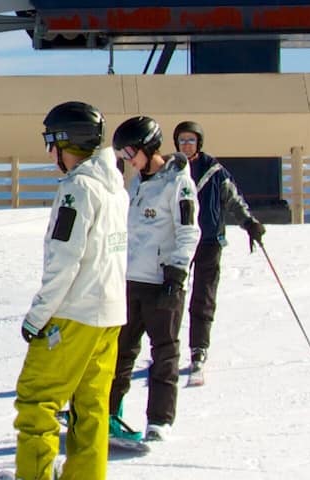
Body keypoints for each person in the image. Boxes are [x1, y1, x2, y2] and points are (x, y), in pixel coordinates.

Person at [12, 101, 128, 480]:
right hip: (108, 315)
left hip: (72, 314)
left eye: (51, 141)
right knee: (91, 408)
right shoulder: (115, 188)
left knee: (37, 403)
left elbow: (65, 257)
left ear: (67, 141)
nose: (48, 152)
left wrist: (38, 316)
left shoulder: (77, 189)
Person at [106, 117, 198, 444]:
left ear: (148, 146)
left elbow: (189, 231)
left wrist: (176, 271)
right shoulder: (136, 183)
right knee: (119, 351)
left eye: (130, 151)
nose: (128, 158)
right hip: (131, 280)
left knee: (164, 353)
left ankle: (159, 421)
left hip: (163, 283)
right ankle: (107, 414)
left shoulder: (179, 184)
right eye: (122, 153)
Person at [172, 122, 265, 380]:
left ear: (199, 143)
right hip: (178, 242)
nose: (186, 145)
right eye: (182, 141)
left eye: (190, 140)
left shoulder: (215, 171)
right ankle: (167, 350)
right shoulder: (172, 171)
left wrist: (249, 223)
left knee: (203, 297)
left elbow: (233, 200)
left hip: (210, 241)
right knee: (171, 297)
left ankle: (198, 349)